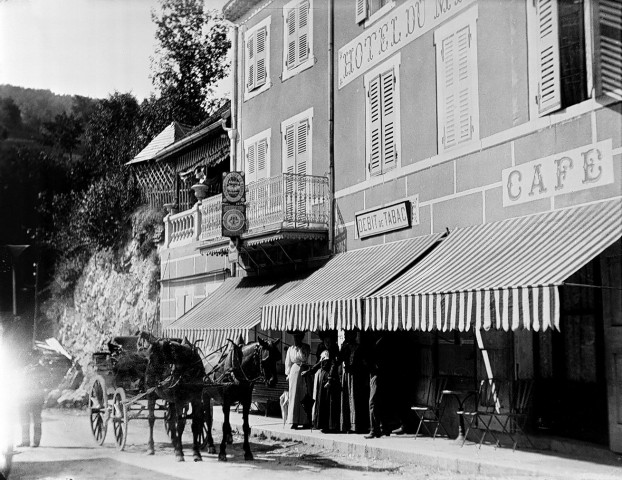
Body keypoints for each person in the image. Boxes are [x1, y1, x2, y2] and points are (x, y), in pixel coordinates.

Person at [303, 331, 340, 433]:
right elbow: (320, 363)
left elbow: (333, 365)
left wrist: (330, 379)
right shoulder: (324, 352)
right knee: (322, 401)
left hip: (330, 378)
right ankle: (323, 424)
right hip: (323, 377)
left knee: (330, 401)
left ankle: (331, 426)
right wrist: (310, 371)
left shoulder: (333, 351)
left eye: (329, 341)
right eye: (325, 341)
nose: (327, 343)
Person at [340, 330, 369, 434]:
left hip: (357, 375)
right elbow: (339, 359)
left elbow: (364, 362)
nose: (348, 337)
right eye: (347, 335)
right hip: (347, 374)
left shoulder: (359, 347)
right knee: (347, 399)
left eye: (350, 334)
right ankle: (347, 425)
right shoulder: (345, 347)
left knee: (356, 399)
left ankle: (357, 425)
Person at [363, 333, 392, 439]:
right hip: (376, 374)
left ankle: (375, 430)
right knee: (380, 402)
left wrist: (371, 364)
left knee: (373, 402)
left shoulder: (381, 343)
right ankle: (384, 428)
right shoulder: (377, 342)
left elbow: (377, 360)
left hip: (377, 374)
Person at [18, 349, 47, 447]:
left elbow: (47, 382)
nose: (33, 358)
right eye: (32, 356)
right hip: (25, 397)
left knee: (36, 420)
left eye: (35, 356)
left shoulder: (42, 369)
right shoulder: (26, 369)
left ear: (38, 357)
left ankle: (36, 441)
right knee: (24, 420)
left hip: (36, 397)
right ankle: (25, 441)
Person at [284, 331, 312, 429]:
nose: (296, 340)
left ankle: (305, 421)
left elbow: (304, 357)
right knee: (294, 395)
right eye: (295, 338)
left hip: (304, 371)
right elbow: (288, 363)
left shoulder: (305, 347)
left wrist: (299, 347)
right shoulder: (291, 349)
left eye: (298, 338)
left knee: (304, 395)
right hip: (294, 372)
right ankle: (294, 420)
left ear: (302, 337)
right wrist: (288, 374)